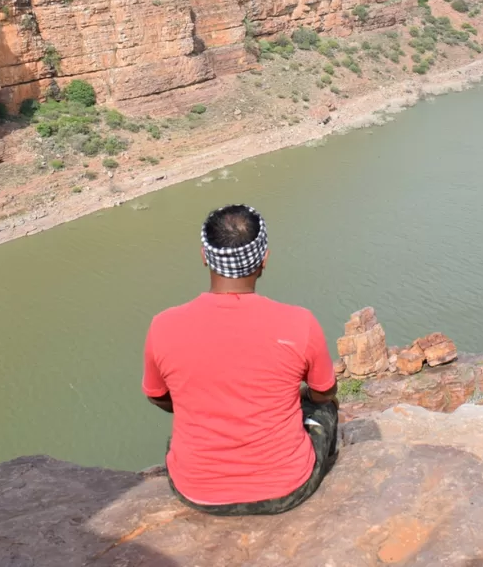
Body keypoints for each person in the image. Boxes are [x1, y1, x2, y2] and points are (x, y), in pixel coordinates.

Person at [141, 204, 338, 515]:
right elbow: (325, 393)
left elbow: (158, 397)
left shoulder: (162, 325)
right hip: (286, 489)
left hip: (195, 491)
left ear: (205, 256)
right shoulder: (300, 322)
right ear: (264, 259)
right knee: (323, 407)